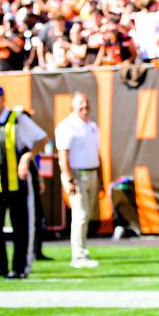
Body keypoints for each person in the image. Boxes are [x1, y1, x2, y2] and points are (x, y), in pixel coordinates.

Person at [0, 82, 49, 280]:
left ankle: (20, 267)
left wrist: (27, 157)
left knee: (21, 225)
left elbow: (42, 138)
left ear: (3, 99)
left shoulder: (17, 119)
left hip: (16, 181)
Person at [55, 92, 101, 269]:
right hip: (76, 174)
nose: (85, 106)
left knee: (87, 214)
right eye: (80, 103)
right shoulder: (68, 126)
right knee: (80, 214)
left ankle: (83, 250)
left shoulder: (91, 126)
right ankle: (78, 255)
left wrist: (100, 176)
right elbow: (63, 156)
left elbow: (96, 153)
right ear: (73, 106)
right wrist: (68, 178)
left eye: (87, 102)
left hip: (91, 173)